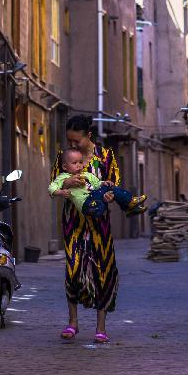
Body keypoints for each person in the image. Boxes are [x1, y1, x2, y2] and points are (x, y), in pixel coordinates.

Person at [50, 114, 123, 343]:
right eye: (69, 141)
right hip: (73, 224)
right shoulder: (65, 157)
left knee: (102, 271)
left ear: (88, 136)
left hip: (99, 225)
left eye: (76, 141)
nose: (72, 145)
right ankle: (73, 323)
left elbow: (115, 185)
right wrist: (66, 183)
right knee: (72, 270)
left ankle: (101, 328)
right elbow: (54, 183)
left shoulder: (105, 156)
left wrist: (110, 195)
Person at [49, 147, 147, 218]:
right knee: (99, 203)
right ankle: (123, 205)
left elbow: (97, 184)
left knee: (113, 189)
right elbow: (51, 188)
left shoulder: (88, 175)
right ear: (65, 167)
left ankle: (129, 204)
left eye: (80, 162)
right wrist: (61, 192)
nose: (79, 166)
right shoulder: (63, 177)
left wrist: (104, 183)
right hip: (85, 203)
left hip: (95, 198)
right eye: (74, 163)